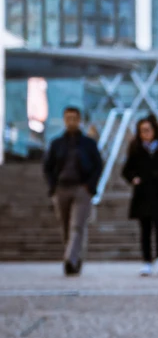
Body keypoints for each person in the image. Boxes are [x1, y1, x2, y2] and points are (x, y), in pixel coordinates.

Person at [43, 106, 103, 276]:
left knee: (77, 226)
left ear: (79, 120)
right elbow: (47, 167)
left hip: (81, 188)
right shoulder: (57, 144)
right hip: (61, 188)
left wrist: (89, 186)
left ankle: (70, 260)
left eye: (74, 118)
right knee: (65, 226)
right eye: (68, 118)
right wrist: (53, 187)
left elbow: (98, 165)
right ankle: (75, 257)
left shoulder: (88, 144)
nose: (71, 121)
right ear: (64, 120)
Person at [122, 115, 158, 276]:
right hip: (143, 193)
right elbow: (126, 170)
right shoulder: (136, 148)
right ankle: (147, 260)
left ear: (154, 130)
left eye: (147, 130)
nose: (145, 134)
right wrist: (134, 178)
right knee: (145, 229)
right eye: (142, 131)